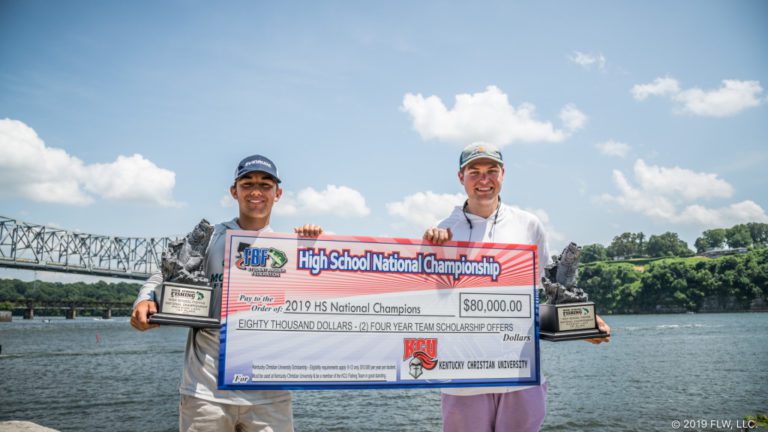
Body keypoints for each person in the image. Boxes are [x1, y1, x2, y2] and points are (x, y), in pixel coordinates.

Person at [423, 142, 611, 432]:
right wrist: (429, 253)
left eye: (491, 171)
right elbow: (427, 299)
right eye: (474, 171)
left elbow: (550, 290)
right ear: (461, 177)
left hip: (522, 371)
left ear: (503, 174)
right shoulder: (441, 231)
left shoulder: (529, 224)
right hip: (464, 378)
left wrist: (583, 324)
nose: (484, 179)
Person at [131, 154, 322, 432]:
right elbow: (165, 274)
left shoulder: (292, 248)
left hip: (269, 394)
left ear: (278, 193)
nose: (256, 192)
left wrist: (316, 247)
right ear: (234, 191)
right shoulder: (210, 237)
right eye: (247, 184)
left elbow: (321, 294)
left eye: (265, 185)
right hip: (206, 391)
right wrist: (146, 298)